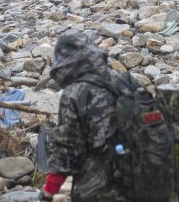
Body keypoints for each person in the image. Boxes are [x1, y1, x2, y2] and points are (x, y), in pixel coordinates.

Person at [42, 31, 140, 202]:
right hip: (144, 178)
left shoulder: (75, 93)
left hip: (101, 188)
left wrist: (48, 193)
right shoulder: (126, 80)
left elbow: (67, 149)